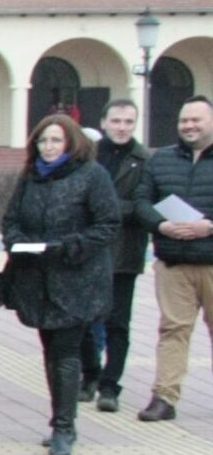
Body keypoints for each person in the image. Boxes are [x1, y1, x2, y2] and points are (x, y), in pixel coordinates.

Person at [0, 113, 120, 455]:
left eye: (55, 140)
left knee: (65, 354)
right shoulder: (31, 177)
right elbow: (11, 219)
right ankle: (61, 419)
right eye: (42, 141)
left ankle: (63, 427)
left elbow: (107, 224)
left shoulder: (91, 175)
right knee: (50, 352)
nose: (48, 147)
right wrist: (17, 241)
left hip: (78, 279)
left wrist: (69, 246)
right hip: (37, 279)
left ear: (70, 142)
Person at [139, 95, 213, 421]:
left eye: (196, 120)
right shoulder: (161, 160)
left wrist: (208, 227)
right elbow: (141, 201)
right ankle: (164, 398)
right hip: (173, 263)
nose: (189, 126)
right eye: (184, 120)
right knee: (172, 330)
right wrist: (162, 224)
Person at [86, 98, 153, 412]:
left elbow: (144, 205)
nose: (122, 127)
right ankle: (89, 376)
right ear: (104, 122)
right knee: (84, 317)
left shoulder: (144, 160)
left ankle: (110, 385)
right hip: (89, 251)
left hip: (125, 251)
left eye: (128, 122)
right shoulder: (88, 155)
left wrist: (107, 208)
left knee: (118, 322)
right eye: (116, 121)